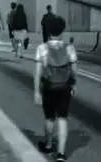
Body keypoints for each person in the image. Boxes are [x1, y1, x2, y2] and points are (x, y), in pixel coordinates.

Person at [34, 16, 77, 162]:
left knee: (49, 118)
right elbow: (74, 70)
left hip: (49, 87)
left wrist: (37, 91)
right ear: (62, 30)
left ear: (48, 30)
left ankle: (48, 145)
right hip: (65, 87)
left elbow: (38, 73)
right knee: (63, 118)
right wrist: (73, 85)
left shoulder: (42, 48)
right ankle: (61, 154)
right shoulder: (69, 48)